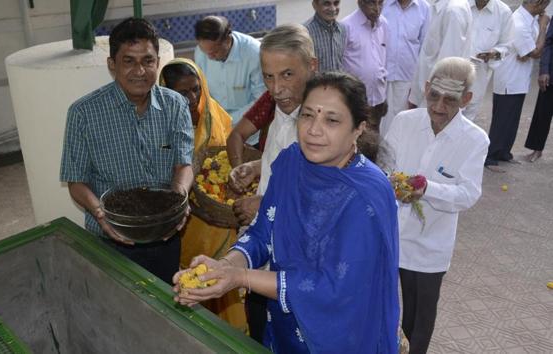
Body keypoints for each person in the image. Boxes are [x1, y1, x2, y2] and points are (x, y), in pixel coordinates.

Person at [174, 72, 400, 354]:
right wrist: (226, 266)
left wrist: (241, 278)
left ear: (358, 128)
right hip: (286, 323)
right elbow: (263, 232)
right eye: (307, 116)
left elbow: (334, 288)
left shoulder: (366, 195)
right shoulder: (292, 162)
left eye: (331, 119)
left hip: (341, 337)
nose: (314, 130)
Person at [60, 18, 194, 284]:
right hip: (111, 235)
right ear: (112, 65)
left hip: (163, 234)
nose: (140, 71)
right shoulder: (84, 113)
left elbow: (183, 164)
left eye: (148, 61)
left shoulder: (175, 105)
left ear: (158, 62)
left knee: (165, 304)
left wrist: (179, 200)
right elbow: (76, 181)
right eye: (129, 61)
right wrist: (100, 213)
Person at [384, 57, 489, 354]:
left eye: (450, 100)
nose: (439, 107)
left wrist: (427, 188)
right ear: (426, 88)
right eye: (434, 96)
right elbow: (383, 165)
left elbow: (468, 193)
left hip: (432, 243)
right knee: (388, 302)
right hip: (394, 234)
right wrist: (390, 183)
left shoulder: (475, 140)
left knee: (421, 312)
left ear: (466, 99)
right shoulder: (405, 122)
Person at [225, 24, 318, 344]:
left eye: (287, 75)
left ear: (312, 66)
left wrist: (264, 206)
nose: (276, 88)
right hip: (265, 244)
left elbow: (322, 198)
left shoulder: (321, 124)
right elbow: (281, 159)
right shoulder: (282, 106)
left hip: (296, 262)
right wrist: (256, 165)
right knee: (259, 325)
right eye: (268, 76)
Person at [158, 58, 247, 331]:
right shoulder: (161, 124)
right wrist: (190, 204)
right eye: (181, 93)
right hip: (187, 222)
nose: (191, 98)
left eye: (196, 89)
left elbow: (225, 162)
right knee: (193, 275)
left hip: (220, 219)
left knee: (221, 276)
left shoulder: (215, 115)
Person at [485, 0, 550, 171]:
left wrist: (530, 51)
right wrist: (543, 28)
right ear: (537, 3)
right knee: (502, 121)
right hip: (510, 79)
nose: (546, 9)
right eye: (546, 4)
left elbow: (531, 51)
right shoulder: (519, 22)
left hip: (519, 79)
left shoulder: (529, 19)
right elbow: (535, 52)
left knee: (512, 120)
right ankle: (490, 157)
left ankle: (504, 153)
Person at [194, 16, 266, 146]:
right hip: (217, 131)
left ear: (227, 40)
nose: (209, 57)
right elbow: (203, 91)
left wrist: (227, 119)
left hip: (250, 131)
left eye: (214, 52)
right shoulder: (200, 53)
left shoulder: (254, 53)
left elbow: (262, 99)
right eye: (206, 52)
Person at [408, 0, 472, 108]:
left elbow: (447, 68)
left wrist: (435, 102)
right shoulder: (443, 7)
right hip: (428, 95)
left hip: (435, 99)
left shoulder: (453, 11)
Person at [381, 0, 430, 136]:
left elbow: (425, 45)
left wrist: (418, 81)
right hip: (381, 72)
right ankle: (377, 152)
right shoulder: (383, 3)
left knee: (400, 117)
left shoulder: (424, 8)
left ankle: (393, 152)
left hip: (407, 74)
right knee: (379, 116)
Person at [462, 0, 514, 121]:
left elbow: (507, 45)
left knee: (468, 115)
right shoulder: (460, 5)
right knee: (445, 109)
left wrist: (494, 53)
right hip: (453, 69)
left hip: (479, 74)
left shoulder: (503, 12)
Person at [341, 0, 388, 132]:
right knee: (356, 138)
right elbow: (340, 64)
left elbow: (383, 58)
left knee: (374, 140)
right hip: (356, 99)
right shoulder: (346, 26)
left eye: (380, 3)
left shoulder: (384, 24)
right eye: (372, 3)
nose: (377, 9)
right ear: (360, 2)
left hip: (378, 98)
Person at [524, 16, 553, 162]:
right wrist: (544, 70)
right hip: (551, 74)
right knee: (543, 113)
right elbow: (548, 43)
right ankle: (537, 149)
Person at [304, 0, 347, 72]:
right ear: (314, 5)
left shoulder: (342, 29)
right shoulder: (305, 32)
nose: (333, 9)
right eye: (326, 3)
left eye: (336, 3)